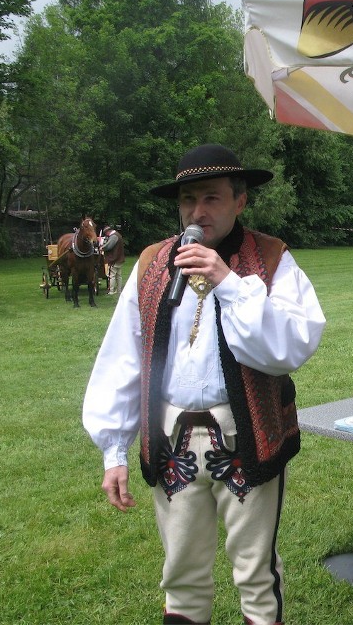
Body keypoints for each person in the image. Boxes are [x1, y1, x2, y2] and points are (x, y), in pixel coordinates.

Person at [82, 144, 326, 625]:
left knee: (256, 575)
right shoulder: (154, 263)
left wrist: (228, 281)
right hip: (171, 439)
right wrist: (114, 450)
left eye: (211, 198)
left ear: (241, 201)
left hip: (248, 435)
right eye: (188, 199)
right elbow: (123, 357)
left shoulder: (272, 258)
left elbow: (289, 348)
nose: (197, 212)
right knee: (181, 575)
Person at [101, 225, 125, 295]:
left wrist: (101, 248)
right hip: (119, 258)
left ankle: (111, 291)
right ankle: (119, 290)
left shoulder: (114, 236)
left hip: (115, 258)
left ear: (108, 232)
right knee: (118, 276)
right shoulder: (118, 235)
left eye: (106, 233)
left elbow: (108, 246)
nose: (106, 235)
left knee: (112, 276)